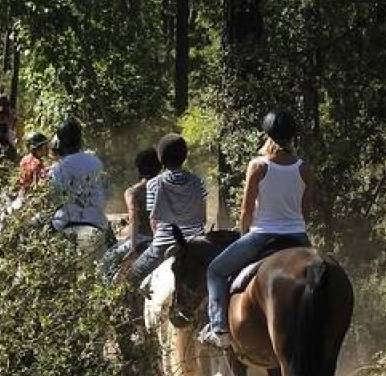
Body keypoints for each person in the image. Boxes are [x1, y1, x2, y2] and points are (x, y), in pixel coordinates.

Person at [199, 110, 313, 348]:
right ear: (293, 137)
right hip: (299, 237)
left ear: (267, 135)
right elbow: (305, 210)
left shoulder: (258, 165)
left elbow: (246, 211)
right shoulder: (304, 168)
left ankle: (219, 330)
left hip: (262, 235)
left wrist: (243, 237)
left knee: (216, 271)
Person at [130, 133, 208, 284]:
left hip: (163, 246)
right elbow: (203, 218)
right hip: (197, 244)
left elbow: (154, 223)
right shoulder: (199, 182)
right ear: (184, 157)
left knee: (132, 277)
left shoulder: (153, 184)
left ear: (161, 158)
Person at [98, 148, 164, 281]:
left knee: (105, 262)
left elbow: (134, 219)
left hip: (142, 238)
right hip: (165, 237)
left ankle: (108, 294)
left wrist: (133, 248)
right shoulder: (167, 187)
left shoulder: (133, 192)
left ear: (139, 169)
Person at [46, 118, 107, 232]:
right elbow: (103, 191)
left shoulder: (57, 168)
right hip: (97, 220)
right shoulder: (96, 162)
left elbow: (53, 198)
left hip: (65, 222)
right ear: (79, 139)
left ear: (60, 142)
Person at [9, 131, 51, 210]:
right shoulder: (37, 163)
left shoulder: (25, 159)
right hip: (31, 198)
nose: (46, 148)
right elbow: (40, 184)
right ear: (37, 148)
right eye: (44, 146)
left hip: (22, 195)